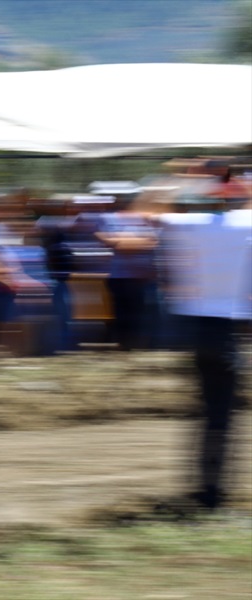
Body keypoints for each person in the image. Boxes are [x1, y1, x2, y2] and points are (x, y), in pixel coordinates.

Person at [157, 192, 251, 511]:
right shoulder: (245, 225)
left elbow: (145, 210)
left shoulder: (188, 225)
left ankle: (203, 487)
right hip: (227, 331)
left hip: (195, 329)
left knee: (208, 413)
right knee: (221, 417)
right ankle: (212, 493)